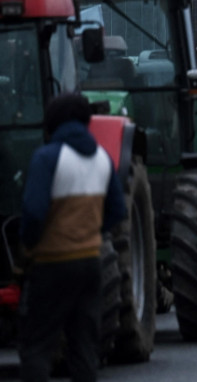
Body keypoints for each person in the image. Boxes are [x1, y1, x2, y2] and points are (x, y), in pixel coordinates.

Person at [20, 94, 126, 382]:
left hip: (52, 264)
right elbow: (118, 210)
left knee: (38, 346)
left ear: (51, 124)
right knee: (83, 348)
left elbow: (33, 211)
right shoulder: (102, 157)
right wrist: (92, 233)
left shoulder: (48, 157)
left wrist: (29, 247)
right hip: (90, 265)